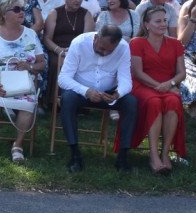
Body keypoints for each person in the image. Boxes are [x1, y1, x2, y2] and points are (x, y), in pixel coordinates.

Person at [57, 26, 137, 173]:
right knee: (67, 99)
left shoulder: (123, 48)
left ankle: (123, 156)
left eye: (110, 51)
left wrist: (117, 94)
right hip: (80, 90)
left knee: (131, 102)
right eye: (102, 48)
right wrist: (86, 91)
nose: (105, 53)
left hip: (108, 94)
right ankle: (75, 155)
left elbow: (126, 80)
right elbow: (63, 78)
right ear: (95, 38)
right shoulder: (79, 43)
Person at [0, 0, 45, 163]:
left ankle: (18, 145)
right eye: (16, 9)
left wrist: (29, 67)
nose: (22, 12)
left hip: (22, 82)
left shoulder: (30, 34)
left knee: (28, 104)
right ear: (3, 13)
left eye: (22, 9)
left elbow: (42, 63)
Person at [128, 6, 187, 175]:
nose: (163, 24)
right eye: (158, 21)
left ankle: (165, 152)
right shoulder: (137, 43)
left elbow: (182, 72)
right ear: (147, 24)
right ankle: (153, 154)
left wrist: (169, 84)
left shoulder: (175, 43)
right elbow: (138, 73)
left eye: (165, 20)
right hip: (144, 85)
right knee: (154, 101)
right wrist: (159, 86)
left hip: (167, 85)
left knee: (173, 101)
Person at [43, 0, 95, 101]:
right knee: (57, 64)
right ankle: (54, 100)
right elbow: (47, 38)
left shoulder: (86, 14)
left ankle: (79, 100)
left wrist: (73, 51)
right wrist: (59, 50)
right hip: (57, 49)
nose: (78, 0)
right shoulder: (55, 13)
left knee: (81, 65)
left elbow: (87, 39)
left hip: (79, 50)